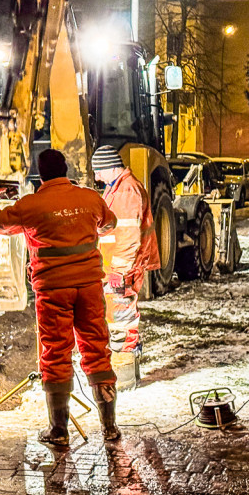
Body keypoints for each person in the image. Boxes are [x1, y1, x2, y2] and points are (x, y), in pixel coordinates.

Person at [0, 149, 120, 444]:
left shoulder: (31, 205)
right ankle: (109, 427)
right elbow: (110, 223)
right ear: (66, 169)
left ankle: (59, 431)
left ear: (39, 174)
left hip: (53, 292)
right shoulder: (89, 198)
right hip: (90, 288)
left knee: (56, 354)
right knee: (96, 349)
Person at [91, 145, 160, 391]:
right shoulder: (119, 188)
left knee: (121, 320)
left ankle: (124, 379)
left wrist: (118, 271)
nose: (97, 177)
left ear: (110, 167)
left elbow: (129, 235)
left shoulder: (127, 190)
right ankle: (127, 374)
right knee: (120, 318)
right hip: (117, 267)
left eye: (98, 171)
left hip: (121, 269)